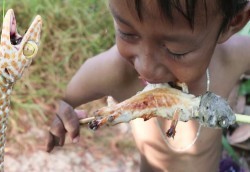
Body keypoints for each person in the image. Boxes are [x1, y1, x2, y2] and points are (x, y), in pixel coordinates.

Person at [45, 0, 250, 171]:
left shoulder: (232, 58)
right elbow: (59, 102)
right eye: (127, 33)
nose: (146, 68)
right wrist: (59, 113)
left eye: (176, 51)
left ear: (234, 21)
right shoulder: (115, 71)